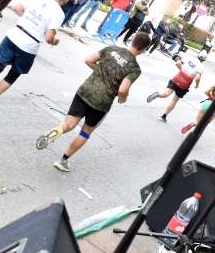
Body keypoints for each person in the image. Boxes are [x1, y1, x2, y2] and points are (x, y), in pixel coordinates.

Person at [38, 32, 151, 172]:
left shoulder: (111, 48)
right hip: (101, 103)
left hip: (85, 91)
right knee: (85, 133)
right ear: (144, 49)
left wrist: (101, 72)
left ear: (133, 40)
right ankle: (63, 160)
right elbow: (122, 90)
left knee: (69, 124)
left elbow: (88, 60)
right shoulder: (135, 68)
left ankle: (54, 132)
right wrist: (123, 97)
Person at [146, 53, 204, 122]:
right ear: (204, 60)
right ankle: (163, 116)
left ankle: (157, 94)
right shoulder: (201, 66)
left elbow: (177, 63)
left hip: (177, 79)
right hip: (184, 85)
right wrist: (197, 85)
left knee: (165, 94)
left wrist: (181, 70)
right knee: (174, 100)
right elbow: (197, 78)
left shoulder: (189, 57)